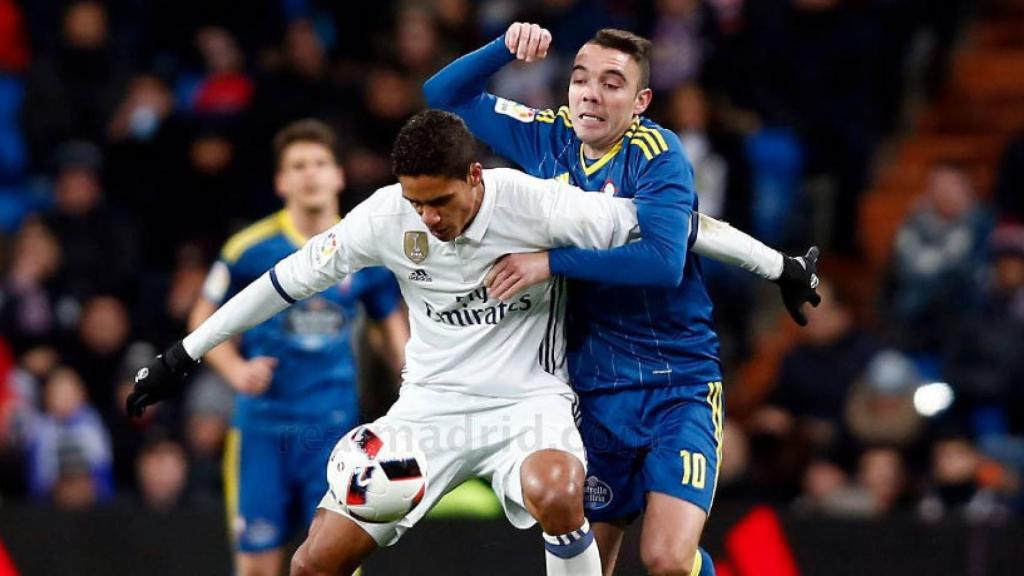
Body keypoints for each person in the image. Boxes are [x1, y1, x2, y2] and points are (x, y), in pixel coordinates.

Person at [127, 110, 809, 576]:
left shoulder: (537, 204)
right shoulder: (385, 218)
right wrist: (183, 355)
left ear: (474, 179)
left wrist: (781, 266)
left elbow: (678, 226)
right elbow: (280, 284)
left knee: (557, 485)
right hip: (428, 413)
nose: (428, 217)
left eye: (441, 203)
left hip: (530, 408)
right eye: (415, 201)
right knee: (314, 562)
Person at [425, 24, 820, 576]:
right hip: (590, 389)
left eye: (612, 84)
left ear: (640, 102)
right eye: (581, 79)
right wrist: (503, 48)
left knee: (665, 558)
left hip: (675, 385)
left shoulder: (658, 155)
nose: (591, 93)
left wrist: (549, 262)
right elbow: (442, 96)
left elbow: (663, 262)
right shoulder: (547, 136)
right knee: (588, 563)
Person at [187, 119, 407, 576]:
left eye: (320, 163)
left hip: (333, 433)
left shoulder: (363, 246)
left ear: (338, 176)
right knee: (257, 566)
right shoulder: (249, 249)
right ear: (280, 181)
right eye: (298, 165)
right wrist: (234, 371)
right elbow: (200, 319)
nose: (310, 174)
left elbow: (392, 331)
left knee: (334, 562)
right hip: (262, 429)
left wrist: (416, 392)